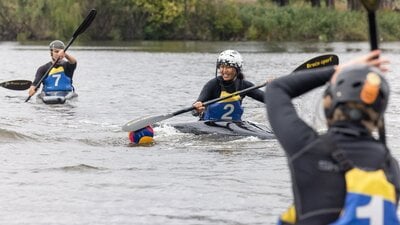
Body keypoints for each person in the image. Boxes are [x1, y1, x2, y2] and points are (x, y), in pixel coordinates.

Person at [265, 50, 400, 224]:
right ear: (378, 117)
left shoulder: (308, 148)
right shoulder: (390, 166)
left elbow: (276, 88)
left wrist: (339, 69)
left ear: (329, 105)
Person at [193, 49, 269, 121]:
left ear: (237, 69)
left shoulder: (244, 85)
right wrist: (197, 109)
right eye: (222, 67)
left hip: (233, 124)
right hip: (209, 123)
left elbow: (268, 99)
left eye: (228, 67)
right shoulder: (212, 84)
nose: (224, 71)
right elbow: (194, 110)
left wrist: (274, 87)